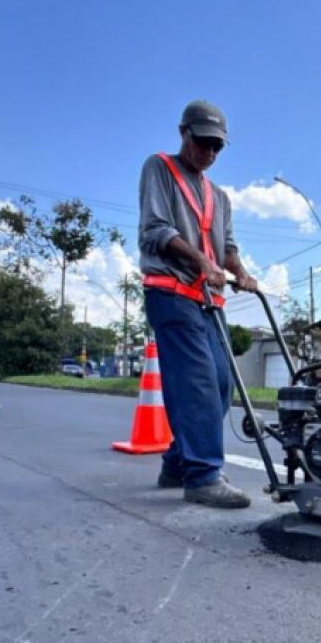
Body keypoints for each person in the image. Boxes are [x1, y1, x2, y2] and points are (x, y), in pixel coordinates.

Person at [138, 100, 258, 508]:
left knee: (222, 384)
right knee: (197, 382)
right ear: (183, 133)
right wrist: (201, 262)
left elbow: (227, 247)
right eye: (203, 142)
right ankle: (203, 477)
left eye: (217, 146)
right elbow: (155, 230)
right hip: (170, 293)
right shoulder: (160, 168)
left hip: (209, 301)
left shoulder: (219, 196)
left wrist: (240, 272)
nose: (209, 152)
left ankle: (178, 463)